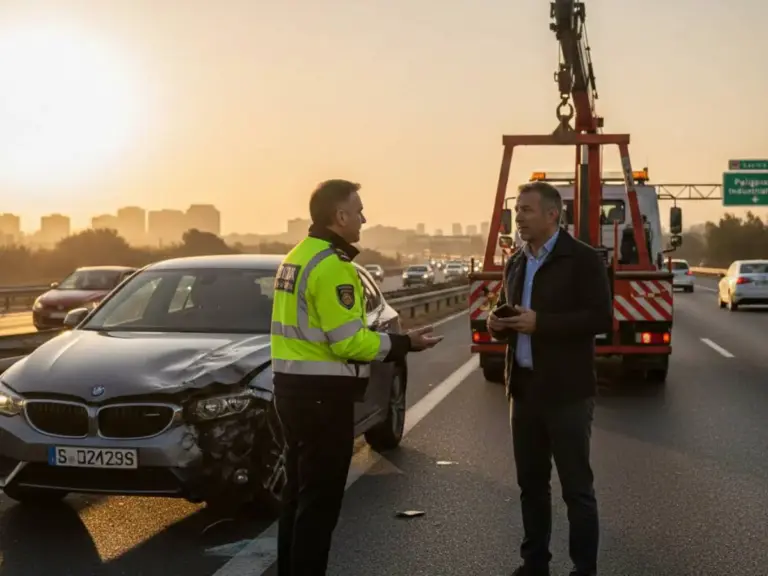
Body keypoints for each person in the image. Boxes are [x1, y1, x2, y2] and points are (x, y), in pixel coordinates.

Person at [270, 178, 444, 576]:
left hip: (290, 393)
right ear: (340, 215)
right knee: (319, 506)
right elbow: (350, 343)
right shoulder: (333, 268)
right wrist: (403, 344)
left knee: (296, 499)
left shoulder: (295, 257)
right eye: (359, 210)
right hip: (322, 401)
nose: (364, 218)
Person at [486, 181, 613, 576]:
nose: (518, 217)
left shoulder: (583, 260)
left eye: (526, 210)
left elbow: (599, 319)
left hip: (567, 392)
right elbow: (507, 314)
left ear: (552, 214)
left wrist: (542, 324)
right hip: (523, 391)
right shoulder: (515, 262)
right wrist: (497, 324)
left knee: (576, 489)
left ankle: (583, 569)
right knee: (531, 487)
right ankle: (534, 563)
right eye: (517, 210)